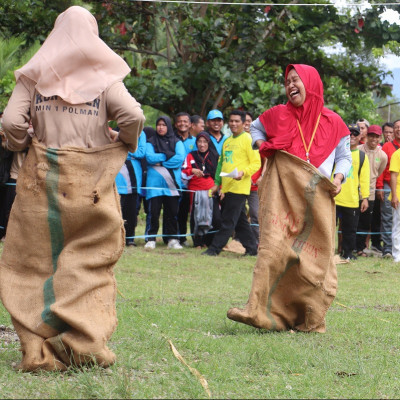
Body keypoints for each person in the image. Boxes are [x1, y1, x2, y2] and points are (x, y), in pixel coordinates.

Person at [0, 6, 145, 371]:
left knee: (34, 265)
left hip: (40, 181)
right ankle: (83, 344)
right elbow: (134, 116)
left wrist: (21, 142)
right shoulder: (105, 79)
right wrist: (121, 140)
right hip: (90, 184)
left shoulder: (32, 78)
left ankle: (36, 349)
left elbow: (10, 122)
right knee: (86, 262)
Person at [227, 64, 352, 333]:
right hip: (281, 192)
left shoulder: (333, 121)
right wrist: (263, 147)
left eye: (296, 80)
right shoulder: (277, 115)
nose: (290, 85)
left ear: (311, 83)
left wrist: (339, 179)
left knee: (313, 258)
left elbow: (344, 157)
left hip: (318, 196)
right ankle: (257, 310)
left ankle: (309, 318)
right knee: (272, 247)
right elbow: (257, 130)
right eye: (287, 81)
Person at [202, 110, 261, 257]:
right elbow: (221, 164)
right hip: (227, 187)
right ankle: (252, 249)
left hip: (240, 188)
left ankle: (214, 249)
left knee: (227, 220)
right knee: (241, 222)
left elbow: (256, 163)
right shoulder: (227, 141)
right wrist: (217, 184)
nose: (234, 124)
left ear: (243, 123)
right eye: (232, 121)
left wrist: (243, 173)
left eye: (237, 121)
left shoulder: (248, 139)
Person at [144, 116, 185, 249]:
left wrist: (160, 161)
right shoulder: (150, 141)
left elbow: (179, 158)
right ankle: (151, 239)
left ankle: (172, 239)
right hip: (154, 184)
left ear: (168, 126)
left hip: (171, 184)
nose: (161, 127)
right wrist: (167, 155)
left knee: (172, 213)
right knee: (153, 213)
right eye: (158, 124)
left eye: (163, 125)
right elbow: (149, 157)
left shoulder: (177, 141)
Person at [335, 124, 370, 260]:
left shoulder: (362, 156)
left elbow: (365, 179)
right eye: (349, 134)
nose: (352, 136)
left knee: (350, 230)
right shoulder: (337, 152)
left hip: (352, 199)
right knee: (328, 228)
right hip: (334, 197)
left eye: (355, 134)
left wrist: (365, 198)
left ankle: (347, 253)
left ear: (360, 136)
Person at [181, 131, 221, 248]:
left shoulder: (215, 156)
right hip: (195, 191)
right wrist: (192, 171)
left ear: (209, 143)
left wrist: (220, 189)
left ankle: (208, 241)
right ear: (196, 142)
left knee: (215, 217)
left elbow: (219, 175)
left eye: (204, 142)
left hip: (211, 190)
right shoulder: (191, 156)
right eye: (199, 141)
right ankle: (197, 242)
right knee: (196, 216)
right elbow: (183, 171)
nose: (202, 144)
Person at [356, 125, 387, 256]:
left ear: (380, 138)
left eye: (377, 136)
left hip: (370, 192)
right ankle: (347, 246)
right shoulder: (358, 149)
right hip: (355, 190)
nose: (374, 139)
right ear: (367, 136)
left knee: (365, 221)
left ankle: (360, 248)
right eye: (371, 135)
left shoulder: (383, 155)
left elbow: (379, 172)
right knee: (352, 219)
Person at [116, 130, 146, 247]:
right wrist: (130, 150)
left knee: (132, 210)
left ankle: (130, 238)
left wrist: (125, 150)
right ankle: (116, 238)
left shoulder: (141, 133)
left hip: (134, 176)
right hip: (118, 176)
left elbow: (141, 152)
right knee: (117, 210)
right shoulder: (116, 132)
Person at [376, 119, 400, 258]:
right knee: (387, 217)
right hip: (387, 184)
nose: (398, 129)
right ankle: (388, 249)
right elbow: (380, 168)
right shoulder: (386, 146)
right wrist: (379, 187)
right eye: (396, 127)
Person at [175, 112, 196, 246]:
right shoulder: (171, 139)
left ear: (190, 124)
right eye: (180, 121)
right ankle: (171, 237)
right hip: (174, 181)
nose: (182, 124)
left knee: (185, 212)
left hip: (191, 182)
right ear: (176, 124)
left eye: (185, 121)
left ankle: (183, 238)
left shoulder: (195, 141)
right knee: (173, 211)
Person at [389, 147, 400, 262]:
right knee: (398, 226)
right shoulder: (397, 154)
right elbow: (393, 175)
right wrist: (394, 195)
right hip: (399, 195)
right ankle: (397, 256)